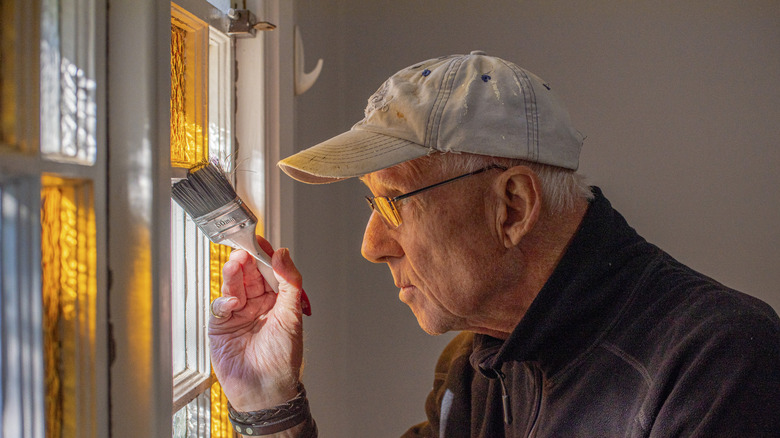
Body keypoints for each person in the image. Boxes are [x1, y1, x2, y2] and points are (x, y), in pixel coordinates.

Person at [208, 51, 780, 437]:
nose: (373, 246)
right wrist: (269, 403)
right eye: (371, 205)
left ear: (513, 207)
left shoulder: (719, 364)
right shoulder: (476, 361)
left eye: (394, 203)